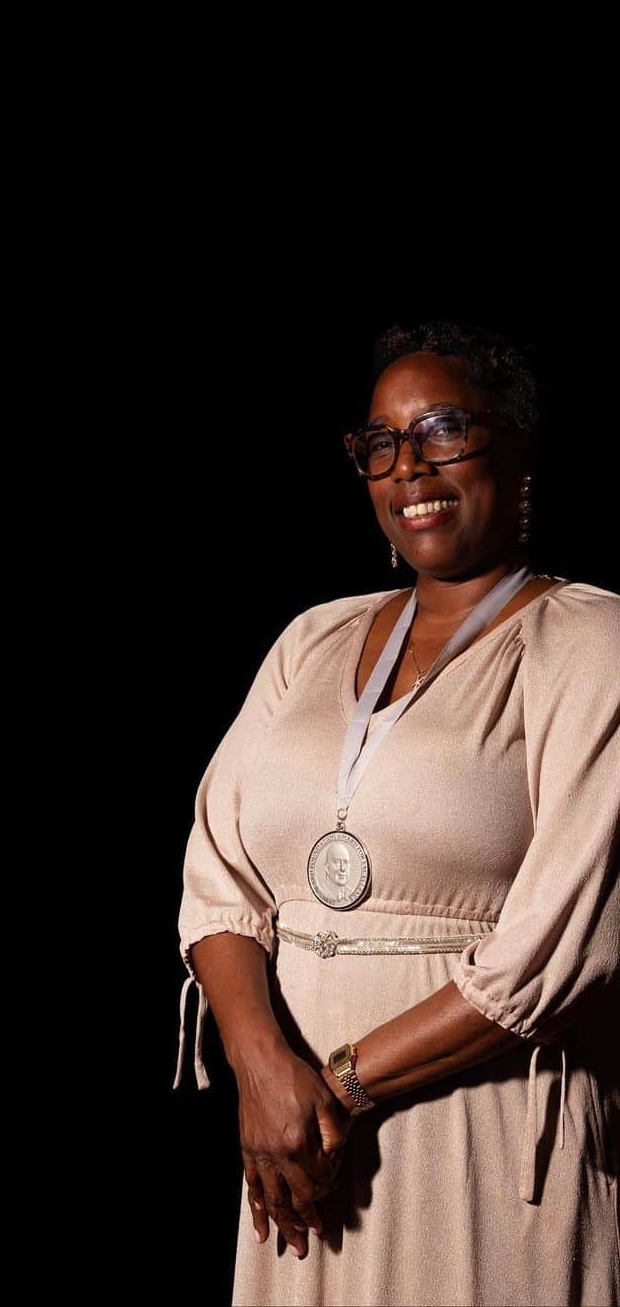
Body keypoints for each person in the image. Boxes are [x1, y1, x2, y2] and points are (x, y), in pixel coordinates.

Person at [173, 320, 619, 1306]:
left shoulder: (589, 641)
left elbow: (563, 943)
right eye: (380, 442)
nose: (407, 466)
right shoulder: (312, 638)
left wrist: (333, 1086)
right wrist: (260, 1073)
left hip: (481, 1126)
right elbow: (220, 877)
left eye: (443, 430)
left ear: (520, 445)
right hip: (290, 1144)